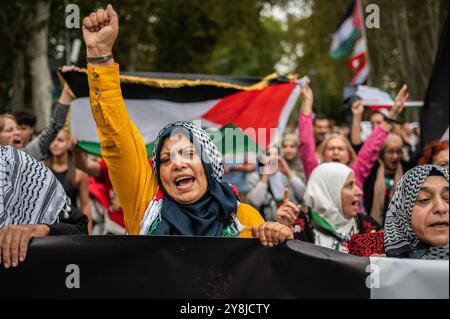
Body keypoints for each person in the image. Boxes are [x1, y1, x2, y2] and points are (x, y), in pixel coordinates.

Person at [81, 5, 293, 246]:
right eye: (165, 159)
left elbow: (262, 278)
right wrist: (100, 54)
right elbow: (117, 139)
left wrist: (280, 240)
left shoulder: (244, 220)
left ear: (208, 163)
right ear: (158, 174)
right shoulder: (145, 206)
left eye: (188, 154)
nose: (178, 164)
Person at [299, 83, 408, 191]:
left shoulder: (356, 172)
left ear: (349, 155)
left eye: (340, 149)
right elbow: (306, 143)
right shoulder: (315, 173)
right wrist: (307, 103)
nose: (336, 152)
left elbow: (371, 147)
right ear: (323, 154)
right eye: (331, 148)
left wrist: (393, 113)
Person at [0, 145, 88, 268]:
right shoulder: (45, 164)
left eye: (61, 141)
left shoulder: (23, 166)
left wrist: (42, 229)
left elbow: (80, 227)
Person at [348, 165, 448, 260]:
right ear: (403, 209)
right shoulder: (368, 249)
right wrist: (372, 272)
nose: (441, 208)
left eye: (448, 198)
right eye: (425, 199)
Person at [299, 163, 381, 253]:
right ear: (328, 192)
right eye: (350, 185)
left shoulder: (368, 227)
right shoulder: (297, 228)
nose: (359, 192)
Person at [0, 66, 77, 161]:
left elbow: (55, 126)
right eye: (9, 130)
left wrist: (68, 86)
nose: (18, 132)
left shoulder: (28, 155)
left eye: (18, 129)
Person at [45, 130, 92, 232]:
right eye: (52, 140)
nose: (55, 143)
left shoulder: (79, 174)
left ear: (68, 143)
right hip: (46, 227)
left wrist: (89, 233)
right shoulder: (42, 169)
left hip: (70, 228)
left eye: (60, 140)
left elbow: (85, 204)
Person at [247, 146, 305, 222]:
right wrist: (265, 176)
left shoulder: (287, 174)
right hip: (270, 222)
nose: (273, 157)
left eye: (276, 154)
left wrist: (288, 173)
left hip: (292, 218)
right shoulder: (254, 177)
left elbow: (302, 195)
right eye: (268, 154)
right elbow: (255, 202)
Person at [363, 134, 405, 225]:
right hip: (375, 227)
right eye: (390, 152)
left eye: (398, 152)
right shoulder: (371, 174)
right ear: (382, 154)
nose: (395, 156)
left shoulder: (407, 172)